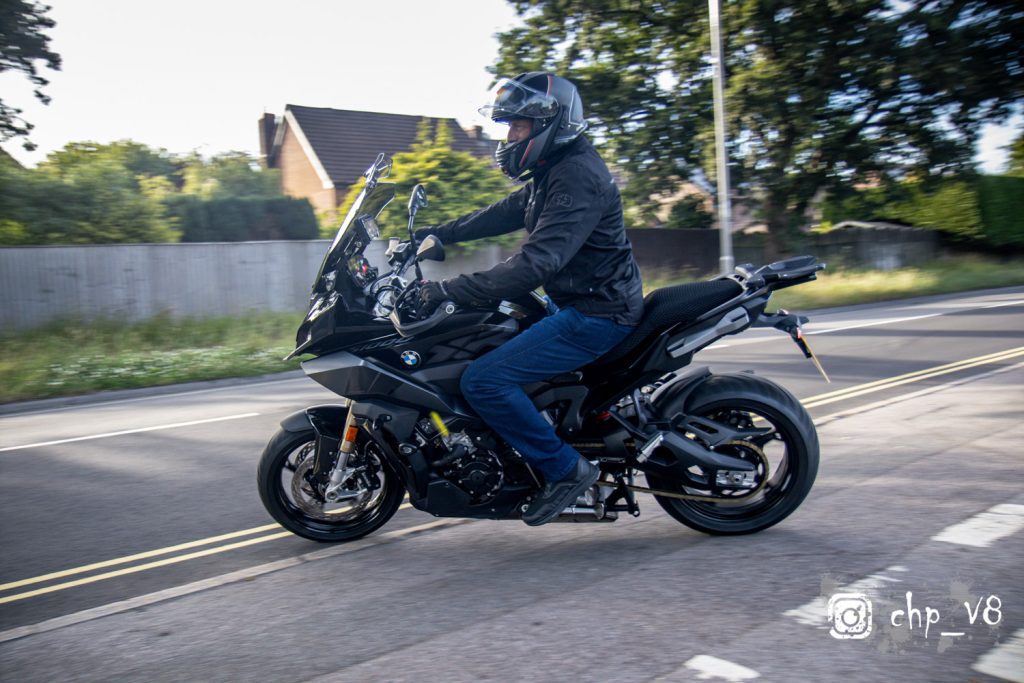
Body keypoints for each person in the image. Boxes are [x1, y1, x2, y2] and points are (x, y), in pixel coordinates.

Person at [416, 72, 644, 526]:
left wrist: (447, 290)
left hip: (597, 312)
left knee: (483, 381)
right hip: (580, 300)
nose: (510, 137)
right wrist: (438, 232)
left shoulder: (576, 176)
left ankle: (565, 470)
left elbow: (535, 264)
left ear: (549, 123)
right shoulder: (554, 168)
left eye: (518, 126)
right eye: (509, 127)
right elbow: (506, 211)